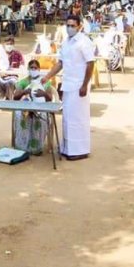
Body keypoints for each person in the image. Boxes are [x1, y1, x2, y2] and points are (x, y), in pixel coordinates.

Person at [42, 15, 95, 160]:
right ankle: (67, 149)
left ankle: (80, 150)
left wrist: (85, 84)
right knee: (67, 118)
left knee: (78, 119)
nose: (70, 28)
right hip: (68, 84)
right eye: (68, 25)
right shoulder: (66, 43)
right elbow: (60, 63)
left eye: (73, 25)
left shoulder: (84, 42)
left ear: (79, 27)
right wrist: (47, 76)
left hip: (79, 86)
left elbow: (90, 63)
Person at [12, 60, 54, 154]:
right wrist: (24, 92)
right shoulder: (23, 82)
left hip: (41, 108)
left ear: (39, 69)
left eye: (36, 68)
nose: (34, 70)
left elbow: (50, 99)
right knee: (20, 115)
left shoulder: (45, 82)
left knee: (41, 117)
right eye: (32, 68)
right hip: (26, 107)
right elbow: (15, 97)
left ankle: (36, 148)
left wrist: (43, 94)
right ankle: (23, 146)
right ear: (28, 69)